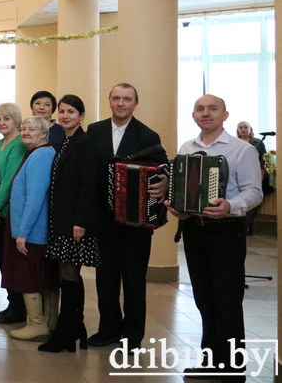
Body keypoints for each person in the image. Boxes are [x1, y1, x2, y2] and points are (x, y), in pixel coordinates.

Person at [166, 95, 262, 382]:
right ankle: (211, 361)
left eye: (212, 109)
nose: (205, 113)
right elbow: (181, 189)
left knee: (227, 300)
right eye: (200, 109)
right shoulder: (187, 148)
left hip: (226, 232)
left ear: (225, 114)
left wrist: (229, 206)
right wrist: (178, 208)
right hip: (195, 230)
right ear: (194, 115)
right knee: (204, 299)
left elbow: (254, 192)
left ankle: (234, 369)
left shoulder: (241, 150)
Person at [86, 84, 167, 349]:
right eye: (116, 98)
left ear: (135, 103)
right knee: (105, 279)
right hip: (103, 219)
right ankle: (108, 329)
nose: (121, 103)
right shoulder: (95, 131)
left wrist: (164, 182)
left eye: (127, 99)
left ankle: (132, 336)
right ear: (109, 101)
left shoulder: (148, 135)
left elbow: (164, 168)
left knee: (134, 281)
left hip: (136, 223)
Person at [38, 94, 99, 353]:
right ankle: (75, 327)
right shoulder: (66, 141)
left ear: (81, 116)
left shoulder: (84, 143)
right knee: (67, 275)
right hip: (61, 219)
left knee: (70, 274)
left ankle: (68, 329)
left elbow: (88, 186)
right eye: (62, 111)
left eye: (71, 112)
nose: (65, 116)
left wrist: (80, 221)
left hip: (74, 222)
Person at [3, 116, 58, 342]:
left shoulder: (40, 156)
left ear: (44, 133)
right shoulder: (38, 153)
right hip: (35, 230)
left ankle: (37, 324)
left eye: (32, 129)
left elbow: (34, 198)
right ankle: (49, 323)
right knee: (42, 278)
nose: (26, 132)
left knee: (30, 277)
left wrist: (22, 232)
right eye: (23, 128)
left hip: (33, 232)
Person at [0, 102, 29, 325]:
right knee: (3, 259)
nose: (2, 123)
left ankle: (18, 307)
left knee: (11, 261)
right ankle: (11, 303)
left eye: (7, 119)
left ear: (16, 121)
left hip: (9, 211)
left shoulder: (19, 145)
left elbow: (9, 180)